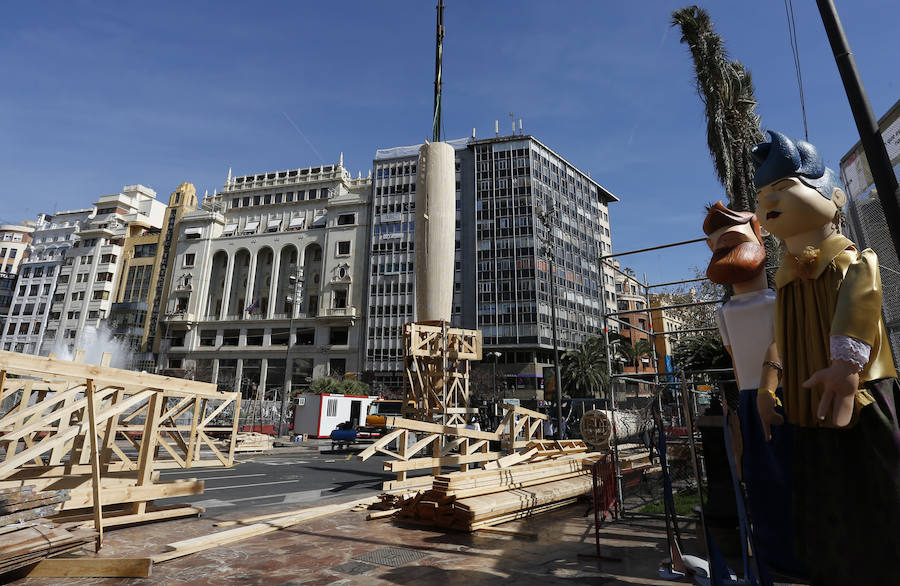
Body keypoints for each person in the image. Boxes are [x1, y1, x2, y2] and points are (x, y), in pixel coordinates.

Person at [751, 130, 900, 586]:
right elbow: (777, 338)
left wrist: (845, 367)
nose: (769, 202)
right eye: (763, 195)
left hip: (860, 401)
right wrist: (768, 388)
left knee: (880, 498)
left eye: (783, 187)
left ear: (833, 197)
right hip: (808, 411)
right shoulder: (786, 281)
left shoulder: (853, 261)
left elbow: (861, 306)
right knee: (824, 511)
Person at [703, 201, 804, 577]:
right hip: (748, 398)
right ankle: (772, 564)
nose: (721, 249)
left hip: (785, 395)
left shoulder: (781, 300)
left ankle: (803, 560)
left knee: (795, 475)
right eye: (715, 245)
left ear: (758, 232)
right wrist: (734, 417)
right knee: (760, 485)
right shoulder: (724, 312)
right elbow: (734, 362)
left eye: (729, 239)